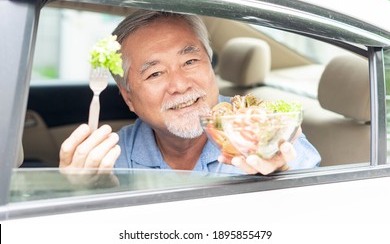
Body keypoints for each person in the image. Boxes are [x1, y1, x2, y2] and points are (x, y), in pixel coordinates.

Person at [60, 10, 321, 175]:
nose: (180, 85)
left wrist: (281, 173)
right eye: (155, 73)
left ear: (211, 67)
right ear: (129, 99)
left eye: (190, 62)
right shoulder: (115, 156)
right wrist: (81, 191)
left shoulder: (259, 127)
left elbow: (313, 197)